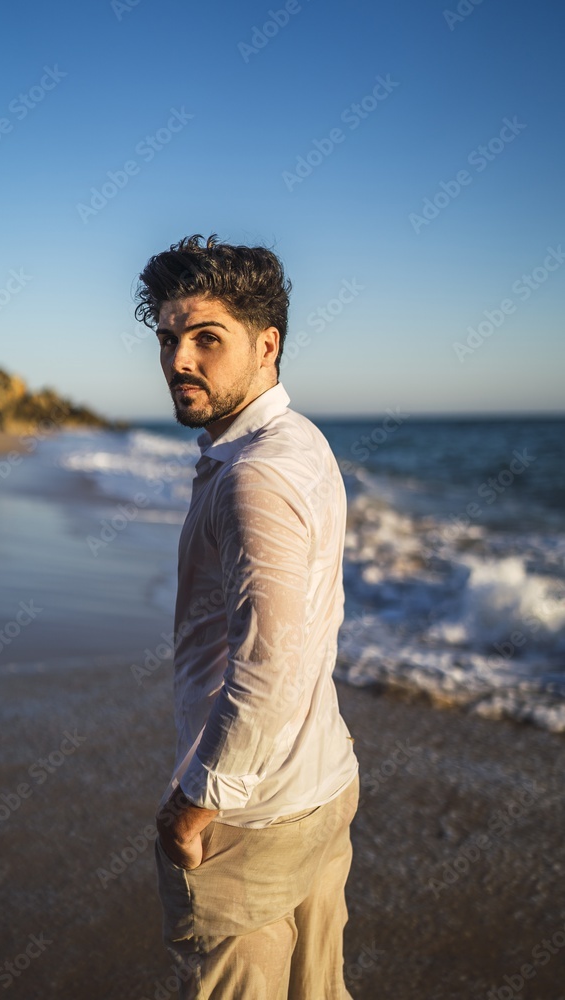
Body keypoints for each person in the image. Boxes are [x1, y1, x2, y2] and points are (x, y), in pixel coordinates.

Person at [134, 234, 360, 999]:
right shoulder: (301, 443)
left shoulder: (254, 476)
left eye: (206, 338)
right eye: (168, 339)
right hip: (320, 782)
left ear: (267, 345)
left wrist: (192, 808)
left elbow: (269, 666)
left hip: (252, 817)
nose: (179, 360)